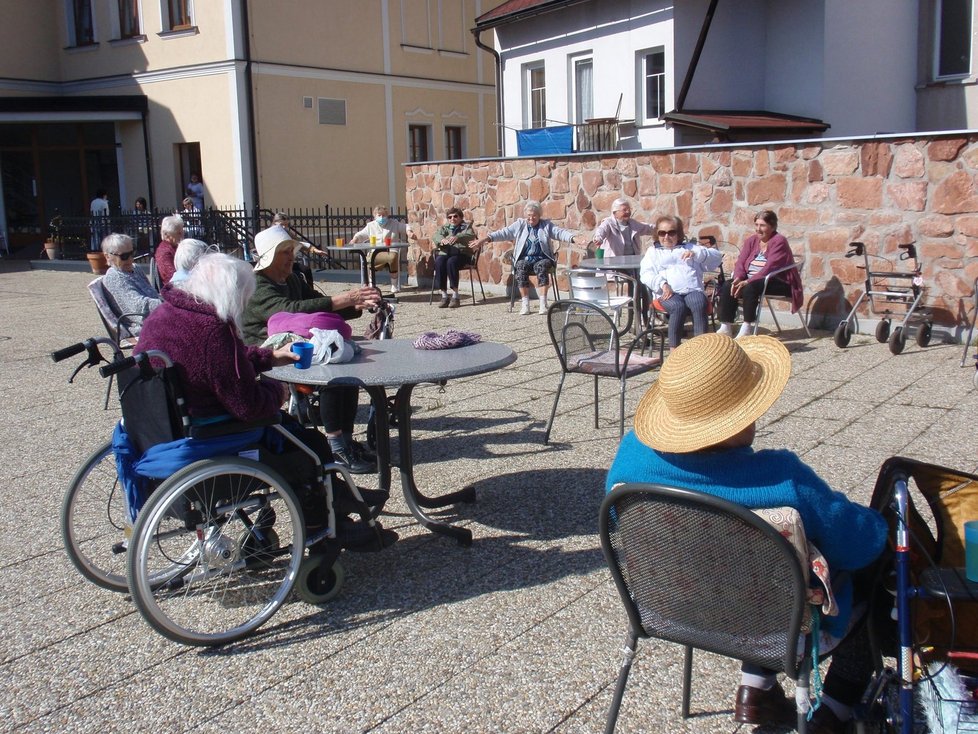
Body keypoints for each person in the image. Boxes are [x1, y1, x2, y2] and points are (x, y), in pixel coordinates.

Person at [606, 333, 888, 733]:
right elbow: (861, 546)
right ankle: (836, 709)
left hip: (671, 611)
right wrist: (880, 525)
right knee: (875, 575)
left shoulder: (630, 457)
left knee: (745, 564)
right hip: (777, 627)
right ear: (743, 413)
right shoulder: (781, 480)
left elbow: (625, 527)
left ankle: (756, 689)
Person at [133, 253, 388, 534]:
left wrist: (270, 356)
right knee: (306, 444)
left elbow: (219, 362)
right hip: (211, 431)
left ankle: (339, 497)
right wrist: (275, 390)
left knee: (296, 432)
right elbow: (249, 406)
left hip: (166, 425)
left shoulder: (165, 314)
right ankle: (323, 522)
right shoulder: (211, 330)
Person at [242, 224, 382, 474]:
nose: (291, 257)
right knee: (329, 370)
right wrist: (347, 298)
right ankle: (335, 445)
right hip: (269, 353)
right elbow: (290, 310)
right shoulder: (257, 286)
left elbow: (315, 305)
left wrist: (359, 304)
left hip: (301, 343)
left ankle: (346, 440)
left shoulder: (293, 279)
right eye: (284, 252)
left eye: (290, 251)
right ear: (270, 257)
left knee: (346, 366)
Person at [474, 201, 583, 315]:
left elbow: (560, 233)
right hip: (525, 259)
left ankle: (543, 303)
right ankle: (525, 304)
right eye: (529, 215)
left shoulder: (546, 225)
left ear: (539, 215)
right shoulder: (520, 225)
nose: (531, 218)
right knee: (520, 266)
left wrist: (574, 238)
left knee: (541, 266)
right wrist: (485, 239)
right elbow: (504, 233)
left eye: (534, 215)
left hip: (542, 258)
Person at [716, 209, 803, 338]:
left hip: (777, 281)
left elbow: (770, 267)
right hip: (753, 280)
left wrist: (747, 281)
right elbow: (740, 262)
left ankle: (747, 328)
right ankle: (726, 326)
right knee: (728, 284)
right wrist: (739, 278)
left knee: (750, 287)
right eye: (756, 225)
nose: (758, 229)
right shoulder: (751, 240)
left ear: (772, 227)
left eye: (762, 225)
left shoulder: (779, 241)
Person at [639, 215, 722, 349]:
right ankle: (674, 350)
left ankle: (701, 349)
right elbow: (646, 274)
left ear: (678, 234)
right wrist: (662, 284)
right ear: (657, 235)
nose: (666, 236)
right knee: (678, 306)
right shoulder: (653, 252)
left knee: (699, 302)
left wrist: (697, 254)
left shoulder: (689, 248)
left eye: (671, 232)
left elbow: (716, 257)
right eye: (662, 233)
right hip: (667, 293)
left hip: (692, 289)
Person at [100, 233, 162, 335]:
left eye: (132, 253)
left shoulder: (135, 268)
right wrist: (169, 304)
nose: (130, 259)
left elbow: (152, 293)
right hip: (141, 327)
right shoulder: (115, 277)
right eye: (124, 256)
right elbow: (138, 307)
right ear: (108, 256)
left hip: (156, 317)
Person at [350, 205, 417, 294]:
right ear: (375, 216)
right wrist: (355, 239)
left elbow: (405, 227)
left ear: (387, 215)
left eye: (384, 215)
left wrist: (409, 232)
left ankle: (394, 284)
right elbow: (361, 235)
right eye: (379, 215)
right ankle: (371, 283)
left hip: (391, 251)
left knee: (393, 257)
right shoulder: (370, 226)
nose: (381, 218)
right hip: (375, 252)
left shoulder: (394, 223)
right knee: (370, 258)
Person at [432, 207, 478, 308]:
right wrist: (442, 240)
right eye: (450, 217)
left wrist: (458, 237)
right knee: (439, 262)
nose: (452, 219)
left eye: (455, 216)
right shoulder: (445, 227)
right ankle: (444, 295)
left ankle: (455, 296)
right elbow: (436, 236)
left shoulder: (466, 227)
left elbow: (470, 236)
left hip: (462, 254)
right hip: (446, 253)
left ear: (461, 217)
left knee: (451, 262)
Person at [272, 212, 327, 288]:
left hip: (287, 262)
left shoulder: (287, 232)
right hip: (275, 264)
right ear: (274, 223)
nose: (284, 227)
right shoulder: (269, 234)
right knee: (295, 275)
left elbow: (299, 242)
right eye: (282, 225)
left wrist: (314, 249)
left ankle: (310, 293)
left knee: (306, 270)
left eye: (287, 225)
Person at [590, 198, 655, 257]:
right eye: (624, 210)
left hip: (632, 262)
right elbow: (602, 230)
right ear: (615, 213)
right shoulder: (608, 223)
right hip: (614, 264)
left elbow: (647, 227)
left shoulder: (633, 224)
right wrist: (598, 238)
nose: (628, 212)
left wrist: (660, 229)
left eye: (629, 209)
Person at [154, 214, 185, 286]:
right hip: (176, 290)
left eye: (182, 232)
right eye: (179, 233)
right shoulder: (164, 252)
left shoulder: (176, 246)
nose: (182, 235)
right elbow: (172, 277)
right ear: (167, 235)